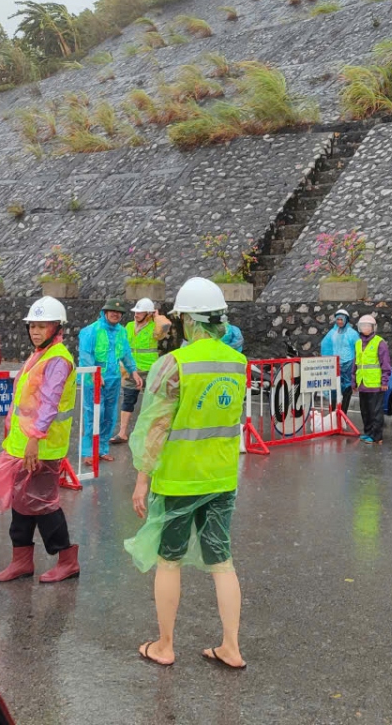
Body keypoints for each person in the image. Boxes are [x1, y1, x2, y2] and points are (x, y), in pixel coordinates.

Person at [125, 277, 249, 670]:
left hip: (179, 479)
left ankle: (165, 645)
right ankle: (231, 646)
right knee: (222, 561)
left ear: (189, 321)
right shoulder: (238, 362)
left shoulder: (174, 364)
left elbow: (154, 427)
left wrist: (142, 479)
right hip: (222, 477)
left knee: (169, 561)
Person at [0, 297, 81, 584]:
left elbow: (49, 404)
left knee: (43, 506)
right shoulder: (38, 355)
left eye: (41, 326)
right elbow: (23, 400)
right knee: (22, 504)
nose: (35, 331)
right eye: (32, 326)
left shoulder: (58, 359)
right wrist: (12, 430)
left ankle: (67, 560)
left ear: (56, 328)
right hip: (24, 446)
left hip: (42, 447)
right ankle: (21, 561)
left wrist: (34, 439)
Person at [78, 298, 141, 463]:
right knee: (93, 415)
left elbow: (126, 353)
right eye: (112, 311)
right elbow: (85, 355)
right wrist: (94, 374)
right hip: (94, 381)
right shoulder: (91, 330)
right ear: (104, 312)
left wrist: (133, 371)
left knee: (109, 415)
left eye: (119, 313)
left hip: (113, 379)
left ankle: (102, 449)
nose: (116, 315)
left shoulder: (121, 331)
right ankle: (88, 452)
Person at [119, 297, 171, 442]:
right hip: (131, 369)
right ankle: (122, 432)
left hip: (150, 370)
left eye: (140, 312)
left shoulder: (155, 327)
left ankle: (151, 433)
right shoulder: (129, 326)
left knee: (152, 401)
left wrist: (157, 316)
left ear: (148, 314)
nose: (136, 314)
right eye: (136, 312)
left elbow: (167, 324)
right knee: (128, 400)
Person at [354, 314, 391, 445]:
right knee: (365, 411)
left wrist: (384, 381)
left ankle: (377, 436)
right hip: (363, 383)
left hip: (375, 384)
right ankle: (368, 432)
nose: (365, 328)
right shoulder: (358, 343)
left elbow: (385, 363)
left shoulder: (379, 342)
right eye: (362, 325)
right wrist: (354, 382)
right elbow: (356, 364)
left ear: (373, 327)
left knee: (375, 412)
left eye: (367, 326)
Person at [321, 308, 359, 412]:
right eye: (338, 319)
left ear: (346, 320)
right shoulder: (332, 333)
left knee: (347, 391)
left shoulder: (353, 334)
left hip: (348, 367)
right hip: (334, 367)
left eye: (341, 319)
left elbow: (358, 349)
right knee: (333, 391)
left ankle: (343, 416)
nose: (339, 322)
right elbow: (325, 347)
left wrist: (355, 364)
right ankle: (333, 416)